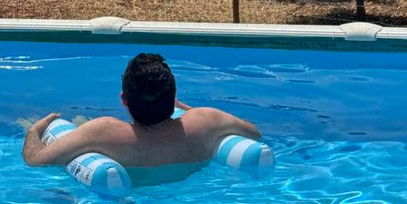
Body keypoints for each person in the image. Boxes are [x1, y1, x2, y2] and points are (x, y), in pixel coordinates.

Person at [22, 52, 262, 180]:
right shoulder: (206, 120)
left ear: (124, 100)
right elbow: (254, 133)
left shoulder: (105, 132)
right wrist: (187, 109)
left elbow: (36, 161)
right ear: (174, 94)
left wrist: (34, 131)